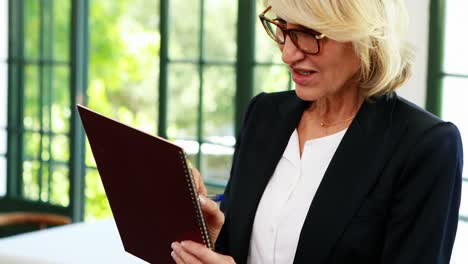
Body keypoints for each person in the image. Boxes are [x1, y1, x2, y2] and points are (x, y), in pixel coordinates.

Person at [171, 0, 463, 263]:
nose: (287, 54)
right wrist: (212, 233)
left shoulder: (426, 146)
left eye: (309, 33)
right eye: (283, 28)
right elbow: (245, 248)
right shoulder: (264, 115)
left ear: (363, 38)